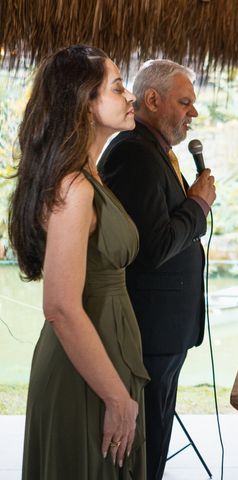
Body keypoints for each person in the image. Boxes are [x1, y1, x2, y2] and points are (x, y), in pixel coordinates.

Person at [9, 45, 148, 478]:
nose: (132, 98)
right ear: (85, 102)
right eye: (119, 87)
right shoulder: (74, 186)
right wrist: (115, 397)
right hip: (84, 374)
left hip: (106, 356)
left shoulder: (91, 175)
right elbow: (61, 307)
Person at [99, 59, 216, 480]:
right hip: (150, 330)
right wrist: (198, 204)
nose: (194, 113)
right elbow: (154, 247)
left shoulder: (157, 152)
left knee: (156, 440)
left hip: (166, 330)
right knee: (144, 449)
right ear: (152, 99)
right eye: (185, 102)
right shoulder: (134, 154)